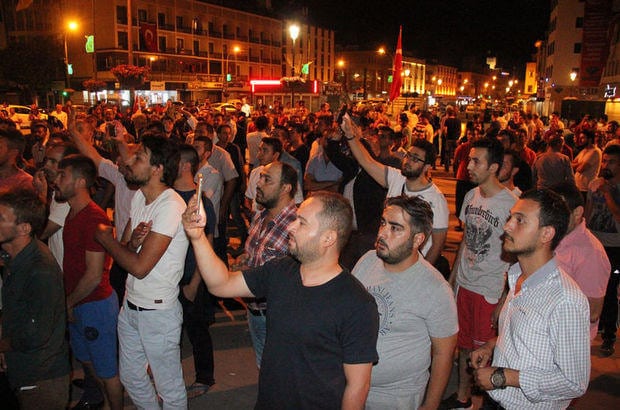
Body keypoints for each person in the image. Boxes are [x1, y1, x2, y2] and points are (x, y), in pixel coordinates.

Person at [183, 191, 379, 409]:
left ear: (328, 238)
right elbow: (220, 284)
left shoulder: (357, 304)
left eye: (302, 223)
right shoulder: (281, 270)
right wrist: (198, 237)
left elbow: (357, 386)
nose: (290, 227)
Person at [471, 189, 590, 409]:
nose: (507, 226)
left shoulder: (565, 300)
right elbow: (527, 342)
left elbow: (575, 382)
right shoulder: (516, 276)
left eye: (520, 220)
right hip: (495, 400)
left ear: (546, 234)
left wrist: (503, 377)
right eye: (510, 217)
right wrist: (491, 346)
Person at [94, 136, 189, 409]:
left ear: (157, 168)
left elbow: (139, 267)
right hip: (132, 305)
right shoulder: (139, 198)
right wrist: (131, 243)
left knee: (168, 387)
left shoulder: (170, 205)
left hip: (158, 312)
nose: (129, 161)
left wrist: (104, 237)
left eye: (139, 157)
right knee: (131, 376)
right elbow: (126, 251)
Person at [352, 195, 458, 409]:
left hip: (395, 398)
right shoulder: (367, 261)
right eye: (383, 223)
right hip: (351, 384)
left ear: (418, 239)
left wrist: (430, 405)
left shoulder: (435, 289)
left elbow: (443, 353)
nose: (382, 233)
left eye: (395, 228)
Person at [443, 137, 518, 410]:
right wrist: (453, 278)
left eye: (476, 161)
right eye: (469, 159)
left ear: (494, 167)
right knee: (464, 347)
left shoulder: (510, 204)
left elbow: (515, 256)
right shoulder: (470, 196)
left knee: (486, 351)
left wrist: (504, 299)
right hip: (465, 284)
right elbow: (465, 240)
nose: (469, 165)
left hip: (490, 289)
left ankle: (488, 401)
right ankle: (462, 398)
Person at [54, 155, 123, 410]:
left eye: (63, 175)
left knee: (107, 371)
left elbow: (94, 276)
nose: (56, 180)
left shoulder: (94, 219)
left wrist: (67, 303)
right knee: (90, 362)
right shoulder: (74, 212)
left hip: (95, 305)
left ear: (81, 181)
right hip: (79, 303)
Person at [343, 116, 449, 266]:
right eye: (408, 155)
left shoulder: (436, 199)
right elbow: (367, 162)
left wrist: (421, 272)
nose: (408, 160)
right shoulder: (396, 178)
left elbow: (437, 244)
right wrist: (350, 135)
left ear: (427, 167)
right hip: (387, 258)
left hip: (412, 265)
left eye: (416, 158)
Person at [0, 188, 70, 410]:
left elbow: (34, 336)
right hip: (25, 368)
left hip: (41, 378)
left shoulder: (40, 271)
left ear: (24, 228)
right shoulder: (15, 256)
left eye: (1, 218)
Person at [236, 161, 298, 366]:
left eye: (267, 179)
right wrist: (245, 258)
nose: (259, 184)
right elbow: (255, 255)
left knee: (282, 374)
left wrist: (248, 273)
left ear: (285, 188)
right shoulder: (260, 216)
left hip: (279, 317)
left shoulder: (296, 224)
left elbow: (295, 276)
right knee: (264, 369)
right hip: (254, 312)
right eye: (260, 177)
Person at [552, 182, 610, 341]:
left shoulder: (590, 252)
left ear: (577, 213)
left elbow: (592, 311)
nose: (551, 218)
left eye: (559, 212)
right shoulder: (555, 237)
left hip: (568, 338)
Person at [586, 144, 620, 357]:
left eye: (612, 162)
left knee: (610, 291)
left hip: (615, 247)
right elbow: (588, 211)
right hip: (595, 245)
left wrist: (607, 193)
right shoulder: (594, 184)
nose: (606, 165)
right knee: (592, 288)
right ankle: (595, 326)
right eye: (605, 161)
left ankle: (609, 334)